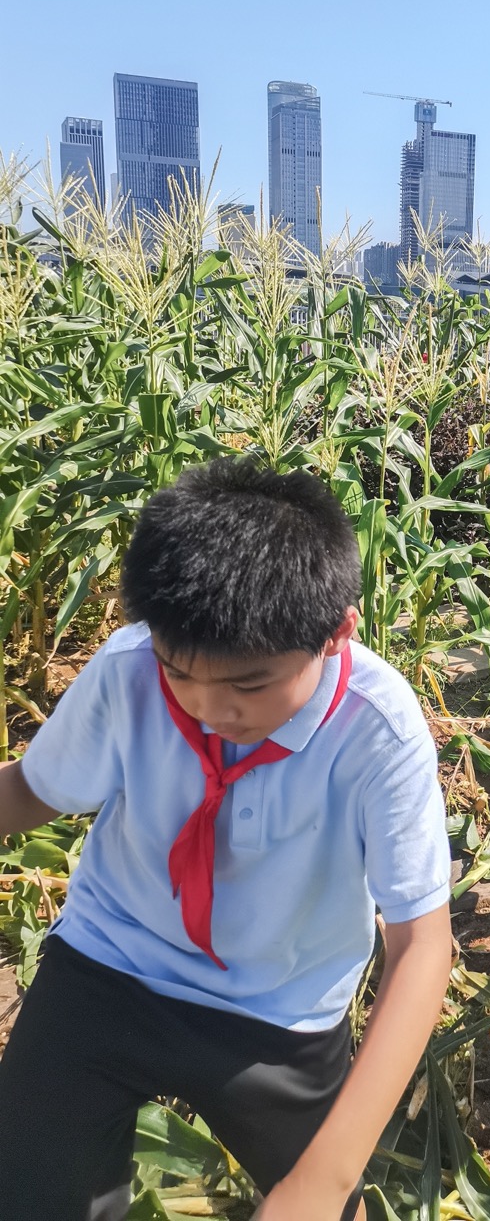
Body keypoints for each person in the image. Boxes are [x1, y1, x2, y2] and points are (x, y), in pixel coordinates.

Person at [0, 457, 453, 1221]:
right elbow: (33, 790)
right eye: (181, 673)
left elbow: (421, 943)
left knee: (320, 1204)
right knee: (30, 1190)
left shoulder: (377, 729)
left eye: (248, 684)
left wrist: (323, 1183)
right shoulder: (130, 670)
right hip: (112, 963)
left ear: (337, 631)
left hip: (280, 1008)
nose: (210, 708)